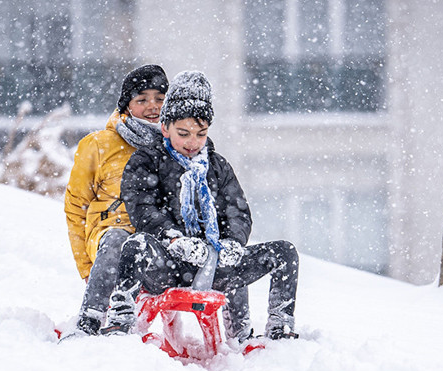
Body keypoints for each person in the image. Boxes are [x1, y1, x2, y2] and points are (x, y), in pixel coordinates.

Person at [102, 70, 299, 341]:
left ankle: (280, 327)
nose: (192, 143)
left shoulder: (218, 167)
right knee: (135, 245)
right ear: (165, 128)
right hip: (166, 265)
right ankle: (120, 320)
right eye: (183, 133)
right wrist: (174, 239)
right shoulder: (146, 162)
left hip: (215, 265)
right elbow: (143, 209)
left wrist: (232, 242)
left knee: (284, 252)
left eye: (201, 134)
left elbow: (237, 212)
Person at [63, 64, 168, 335]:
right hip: (109, 240)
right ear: (126, 105)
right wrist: (87, 268)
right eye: (142, 99)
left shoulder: (176, 143)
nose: (152, 106)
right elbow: (76, 207)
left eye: (159, 98)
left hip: (154, 243)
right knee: (118, 238)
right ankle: (90, 320)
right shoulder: (98, 145)